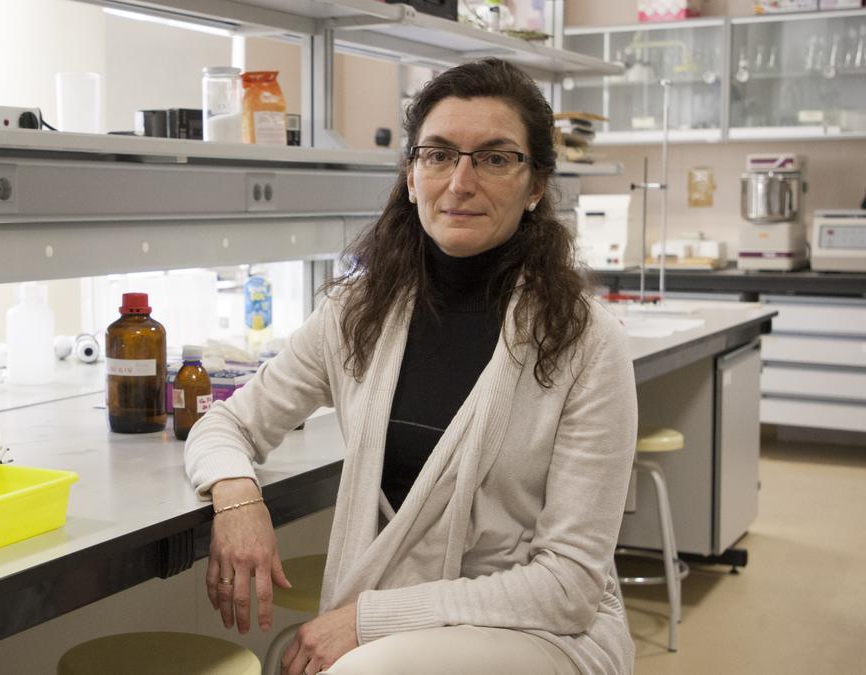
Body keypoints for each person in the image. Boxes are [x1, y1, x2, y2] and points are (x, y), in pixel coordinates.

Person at [184, 58, 637, 675]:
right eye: (439, 154)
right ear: (411, 174)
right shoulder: (358, 313)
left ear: (536, 186)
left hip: (543, 631)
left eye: (496, 158)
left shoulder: (583, 343)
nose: (460, 182)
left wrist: (367, 621)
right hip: (395, 614)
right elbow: (225, 425)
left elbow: (569, 586)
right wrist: (238, 499)